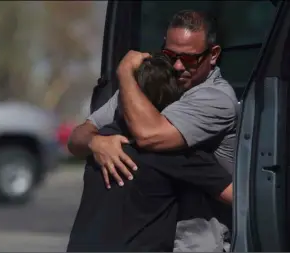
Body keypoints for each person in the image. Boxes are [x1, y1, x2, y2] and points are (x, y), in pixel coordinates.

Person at [68, 10, 238, 252]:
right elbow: (78, 137)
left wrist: (125, 73)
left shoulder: (215, 99)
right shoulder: (146, 88)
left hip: (196, 241)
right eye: (170, 55)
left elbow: (148, 136)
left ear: (213, 55)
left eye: (190, 59)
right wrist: (96, 143)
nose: (178, 66)